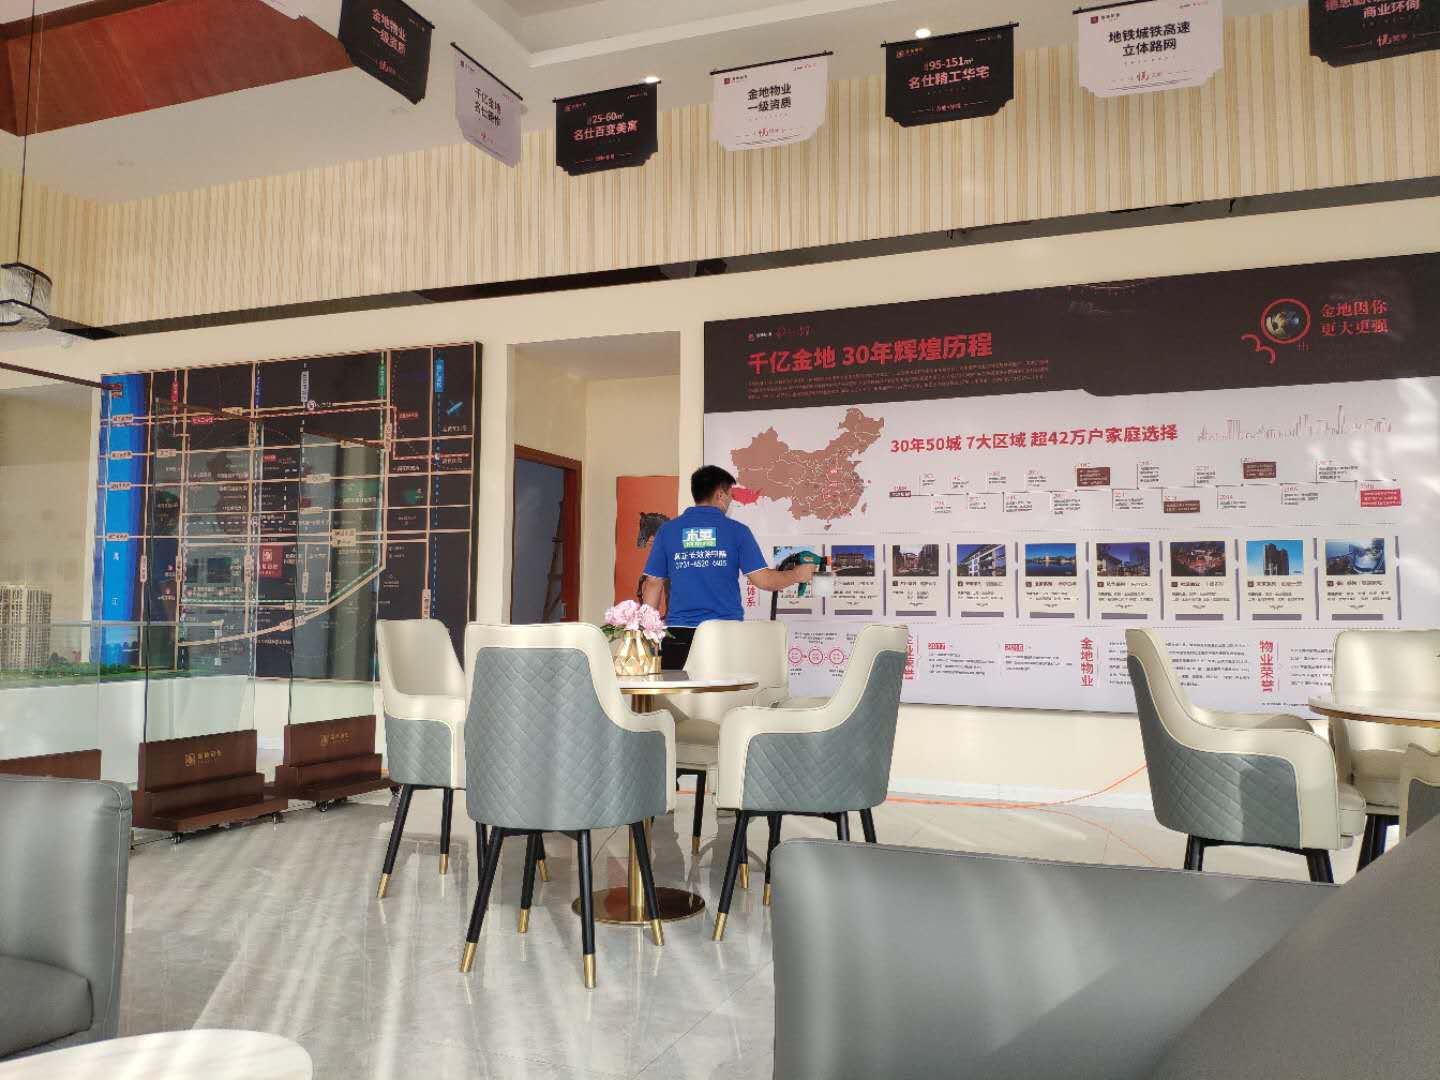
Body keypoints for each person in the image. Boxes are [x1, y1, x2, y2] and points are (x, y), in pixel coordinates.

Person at [641, 465, 816, 670]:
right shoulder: (737, 531)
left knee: (679, 690)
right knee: (726, 691)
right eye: (730, 495)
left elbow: (653, 582)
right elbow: (765, 580)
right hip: (724, 634)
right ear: (719, 495)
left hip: (678, 634)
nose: (731, 501)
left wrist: (647, 636)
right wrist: (797, 574)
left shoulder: (668, 531)